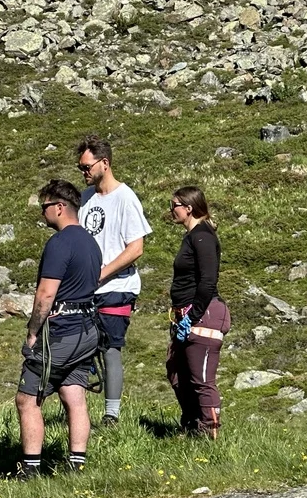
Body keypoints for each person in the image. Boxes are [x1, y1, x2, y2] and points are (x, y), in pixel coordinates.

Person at [15, 180, 103, 479]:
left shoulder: (59, 242)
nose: (43, 214)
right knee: (74, 394)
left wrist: (32, 331)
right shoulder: (91, 242)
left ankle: (30, 469)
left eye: (44, 208)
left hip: (61, 331)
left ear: (59, 207)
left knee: (27, 399)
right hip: (88, 330)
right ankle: (76, 463)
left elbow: (45, 294)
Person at [75, 133, 152, 427]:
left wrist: (102, 273)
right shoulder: (85, 198)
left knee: (110, 348)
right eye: (81, 167)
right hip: (88, 288)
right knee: (80, 347)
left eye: (87, 167)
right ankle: (80, 411)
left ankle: (112, 414)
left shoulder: (125, 198)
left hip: (116, 288)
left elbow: (136, 248)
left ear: (104, 163)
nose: (84, 172)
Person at [166, 186, 231, 439]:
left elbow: (208, 281)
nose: (171, 210)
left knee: (201, 378)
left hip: (202, 313)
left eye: (174, 205)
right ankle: (192, 424)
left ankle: (209, 433)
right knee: (176, 370)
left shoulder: (203, 237)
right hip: (186, 313)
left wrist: (192, 317)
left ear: (188, 208)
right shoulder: (193, 236)